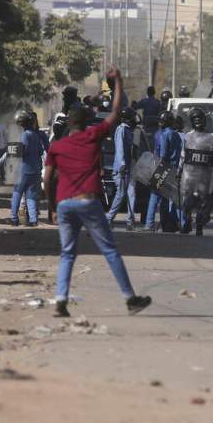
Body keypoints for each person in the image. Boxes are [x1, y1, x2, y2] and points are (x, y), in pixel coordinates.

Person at [42, 66, 151, 319]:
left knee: (67, 253)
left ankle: (60, 300)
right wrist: (119, 82)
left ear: (69, 123)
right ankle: (130, 298)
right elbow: (115, 112)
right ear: (86, 122)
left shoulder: (57, 146)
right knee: (109, 250)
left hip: (64, 204)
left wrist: (51, 208)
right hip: (87, 201)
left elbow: (48, 179)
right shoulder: (93, 136)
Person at [179, 107, 213, 236]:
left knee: (200, 203)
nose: (198, 122)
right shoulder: (189, 136)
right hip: (191, 176)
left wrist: (179, 170)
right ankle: (189, 223)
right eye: (196, 119)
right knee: (189, 203)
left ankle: (198, 225)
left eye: (199, 119)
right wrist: (179, 171)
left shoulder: (212, 137)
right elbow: (183, 156)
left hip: (203, 176)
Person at [145, 111, 181, 232]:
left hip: (163, 167)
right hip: (173, 168)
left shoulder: (164, 135)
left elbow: (163, 154)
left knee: (154, 196)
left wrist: (156, 169)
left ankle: (149, 224)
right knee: (165, 198)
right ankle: (166, 225)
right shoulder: (177, 135)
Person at [9, 110, 45, 227]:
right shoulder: (35, 134)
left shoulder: (23, 135)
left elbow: (21, 152)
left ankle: (14, 218)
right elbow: (40, 151)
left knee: (17, 193)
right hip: (34, 169)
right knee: (31, 196)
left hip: (22, 170)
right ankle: (33, 220)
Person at [106, 108, 139, 231]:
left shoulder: (130, 131)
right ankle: (108, 219)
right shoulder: (121, 130)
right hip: (121, 168)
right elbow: (120, 148)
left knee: (132, 193)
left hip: (129, 167)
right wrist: (122, 164)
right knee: (120, 194)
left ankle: (130, 221)